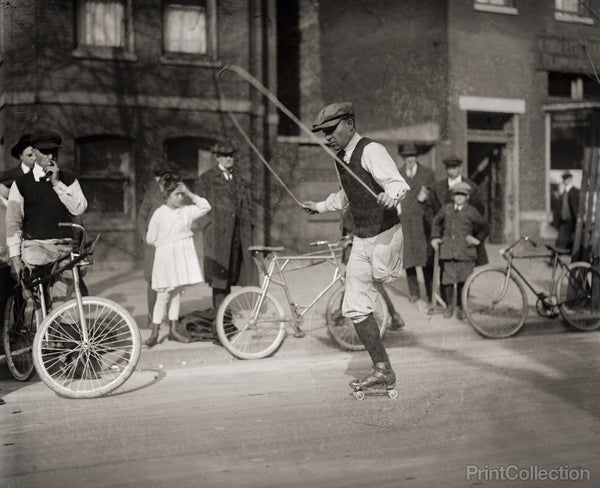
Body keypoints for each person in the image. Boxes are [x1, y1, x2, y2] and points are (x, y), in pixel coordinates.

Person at [302, 101, 409, 392]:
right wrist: (320, 207)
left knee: (381, 281)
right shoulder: (340, 159)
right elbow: (346, 196)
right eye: (323, 133)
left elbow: (397, 182)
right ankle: (382, 369)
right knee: (354, 306)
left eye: (331, 130)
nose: (327, 138)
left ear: (350, 123)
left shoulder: (371, 150)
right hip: (362, 237)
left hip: (385, 234)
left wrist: (392, 196)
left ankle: (393, 316)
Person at [5, 130, 87, 304]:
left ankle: (57, 326)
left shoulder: (68, 180)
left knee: (66, 305)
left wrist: (57, 184)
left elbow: (79, 209)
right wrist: (15, 259)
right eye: (44, 151)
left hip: (64, 250)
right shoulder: (21, 184)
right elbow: (13, 224)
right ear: (34, 153)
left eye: (54, 152)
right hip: (36, 250)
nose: (51, 156)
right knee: (35, 305)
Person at [144, 175, 211, 347]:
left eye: (182, 195)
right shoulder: (159, 214)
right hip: (166, 258)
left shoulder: (186, 211)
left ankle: (173, 329)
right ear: (167, 195)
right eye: (176, 195)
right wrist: (167, 244)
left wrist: (190, 193)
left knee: (176, 293)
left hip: (182, 257)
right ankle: (155, 332)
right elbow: (151, 238)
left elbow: (206, 206)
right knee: (164, 294)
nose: (180, 198)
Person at [195, 141, 257, 311]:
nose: (228, 159)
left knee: (232, 273)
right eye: (224, 156)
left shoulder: (238, 179)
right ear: (217, 158)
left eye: (231, 155)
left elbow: (247, 206)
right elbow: (197, 208)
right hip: (218, 236)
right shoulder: (207, 179)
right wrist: (209, 229)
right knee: (220, 277)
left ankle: (224, 316)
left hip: (237, 235)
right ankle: (221, 320)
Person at [430, 182, 489, 320]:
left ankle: (462, 307)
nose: (459, 197)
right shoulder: (446, 209)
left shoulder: (472, 211)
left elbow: (485, 226)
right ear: (452, 196)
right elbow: (436, 222)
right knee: (448, 280)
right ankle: (449, 306)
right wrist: (435, 237)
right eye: (457, 194)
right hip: (448, 251)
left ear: (467, 197)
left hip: (465, 253)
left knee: (464, 281)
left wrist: (477, 240)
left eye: (462, 195)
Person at [340, 208, 405, 330]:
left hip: (361, 251)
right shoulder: (348, 208)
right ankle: (394, 316)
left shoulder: (355, 208)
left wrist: (350, 238)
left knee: (370, 283)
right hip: (358, 250)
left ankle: (394, 316)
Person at [136, 162, 181, 330]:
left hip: (173, 244)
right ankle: (151, 319)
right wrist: (144, 236)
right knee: (154, 283)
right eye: (161, 178)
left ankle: (172, 320)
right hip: (154, 246)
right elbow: (141, 216)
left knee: (174, 283)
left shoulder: (177, 193)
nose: (164, 181)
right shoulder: (151, 194)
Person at [397, 142, 436, 304]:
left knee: (425, 258)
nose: (409, 159)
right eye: (407, 156)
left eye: (412, 156)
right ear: (404, 158)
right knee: (408, 259)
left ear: (416, 157)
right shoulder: (397, 174)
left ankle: (430, 292)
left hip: (422, 223)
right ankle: (414, 292)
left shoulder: (428, 173)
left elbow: (435, 197)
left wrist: (427, 197)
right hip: (405, 221)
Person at [555, 171, 580, 252]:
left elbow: (578, 206)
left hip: (572, 220)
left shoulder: (575, 191)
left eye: (566, 178)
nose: (565, 180)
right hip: (564, 220)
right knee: (561, 241)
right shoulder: (563, 192)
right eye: (563, 178)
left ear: (570, 179)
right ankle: (556, 259)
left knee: (572, 241)